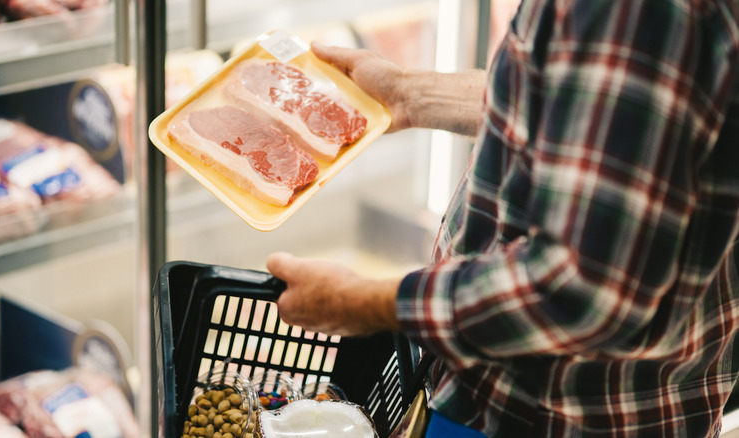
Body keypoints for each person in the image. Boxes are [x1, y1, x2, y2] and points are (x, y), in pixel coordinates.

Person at [266, 0, 739, 436]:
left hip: (554, 415)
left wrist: (358, 303)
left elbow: (580, 287)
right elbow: (582, 110)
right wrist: (407, 94)